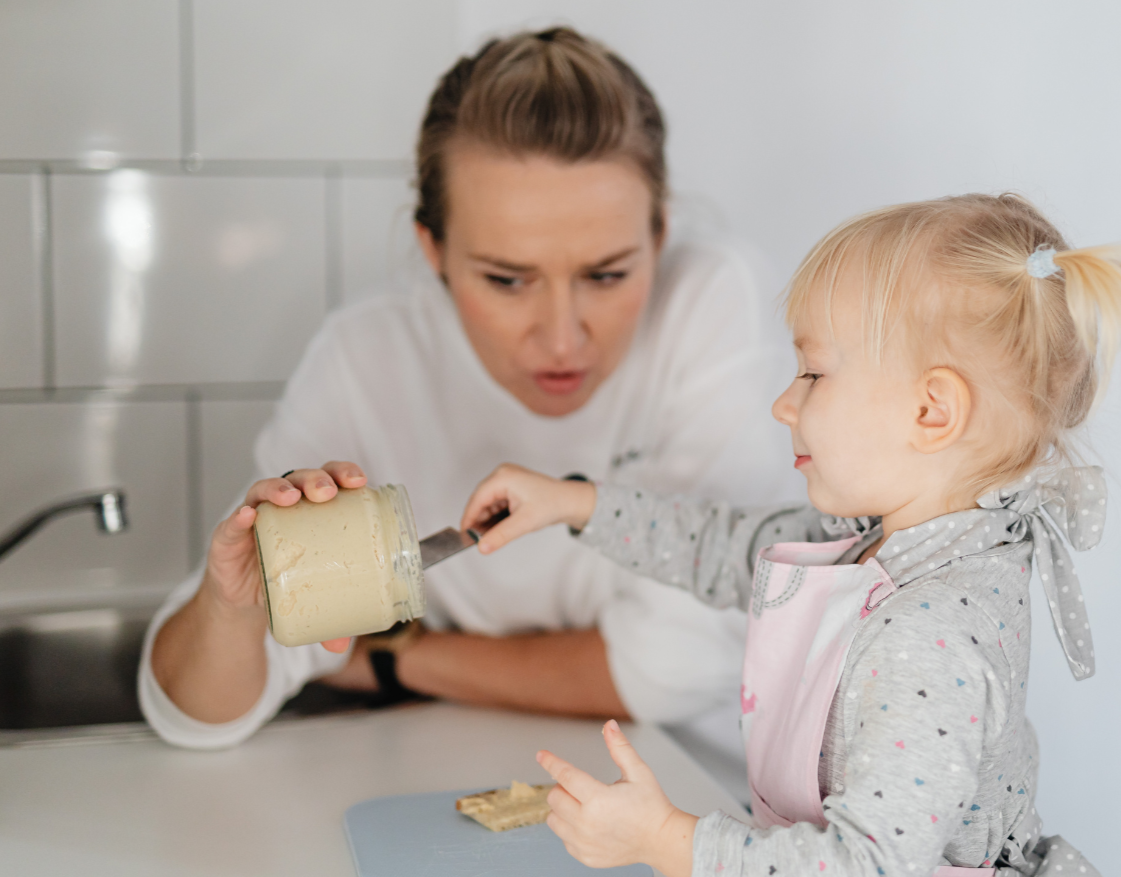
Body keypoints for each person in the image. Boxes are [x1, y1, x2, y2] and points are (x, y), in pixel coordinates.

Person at [459, 193, 1121, 876]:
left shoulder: (925, 635)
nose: (784, 403)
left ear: (931, 411)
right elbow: (719, 544)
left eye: (812, 372)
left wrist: (665, 840)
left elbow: (862, 866)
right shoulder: (868, 545)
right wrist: (572, 502)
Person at [137, 27, 796, 758]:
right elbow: (197, 715)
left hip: (692, 785)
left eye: (607, 275)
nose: (561, 340)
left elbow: (682, 666)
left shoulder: (711, 300)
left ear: (659, 234)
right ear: (434, 251)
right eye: (506, 280)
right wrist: (233, 610)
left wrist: (393, 657)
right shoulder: (367, 359)